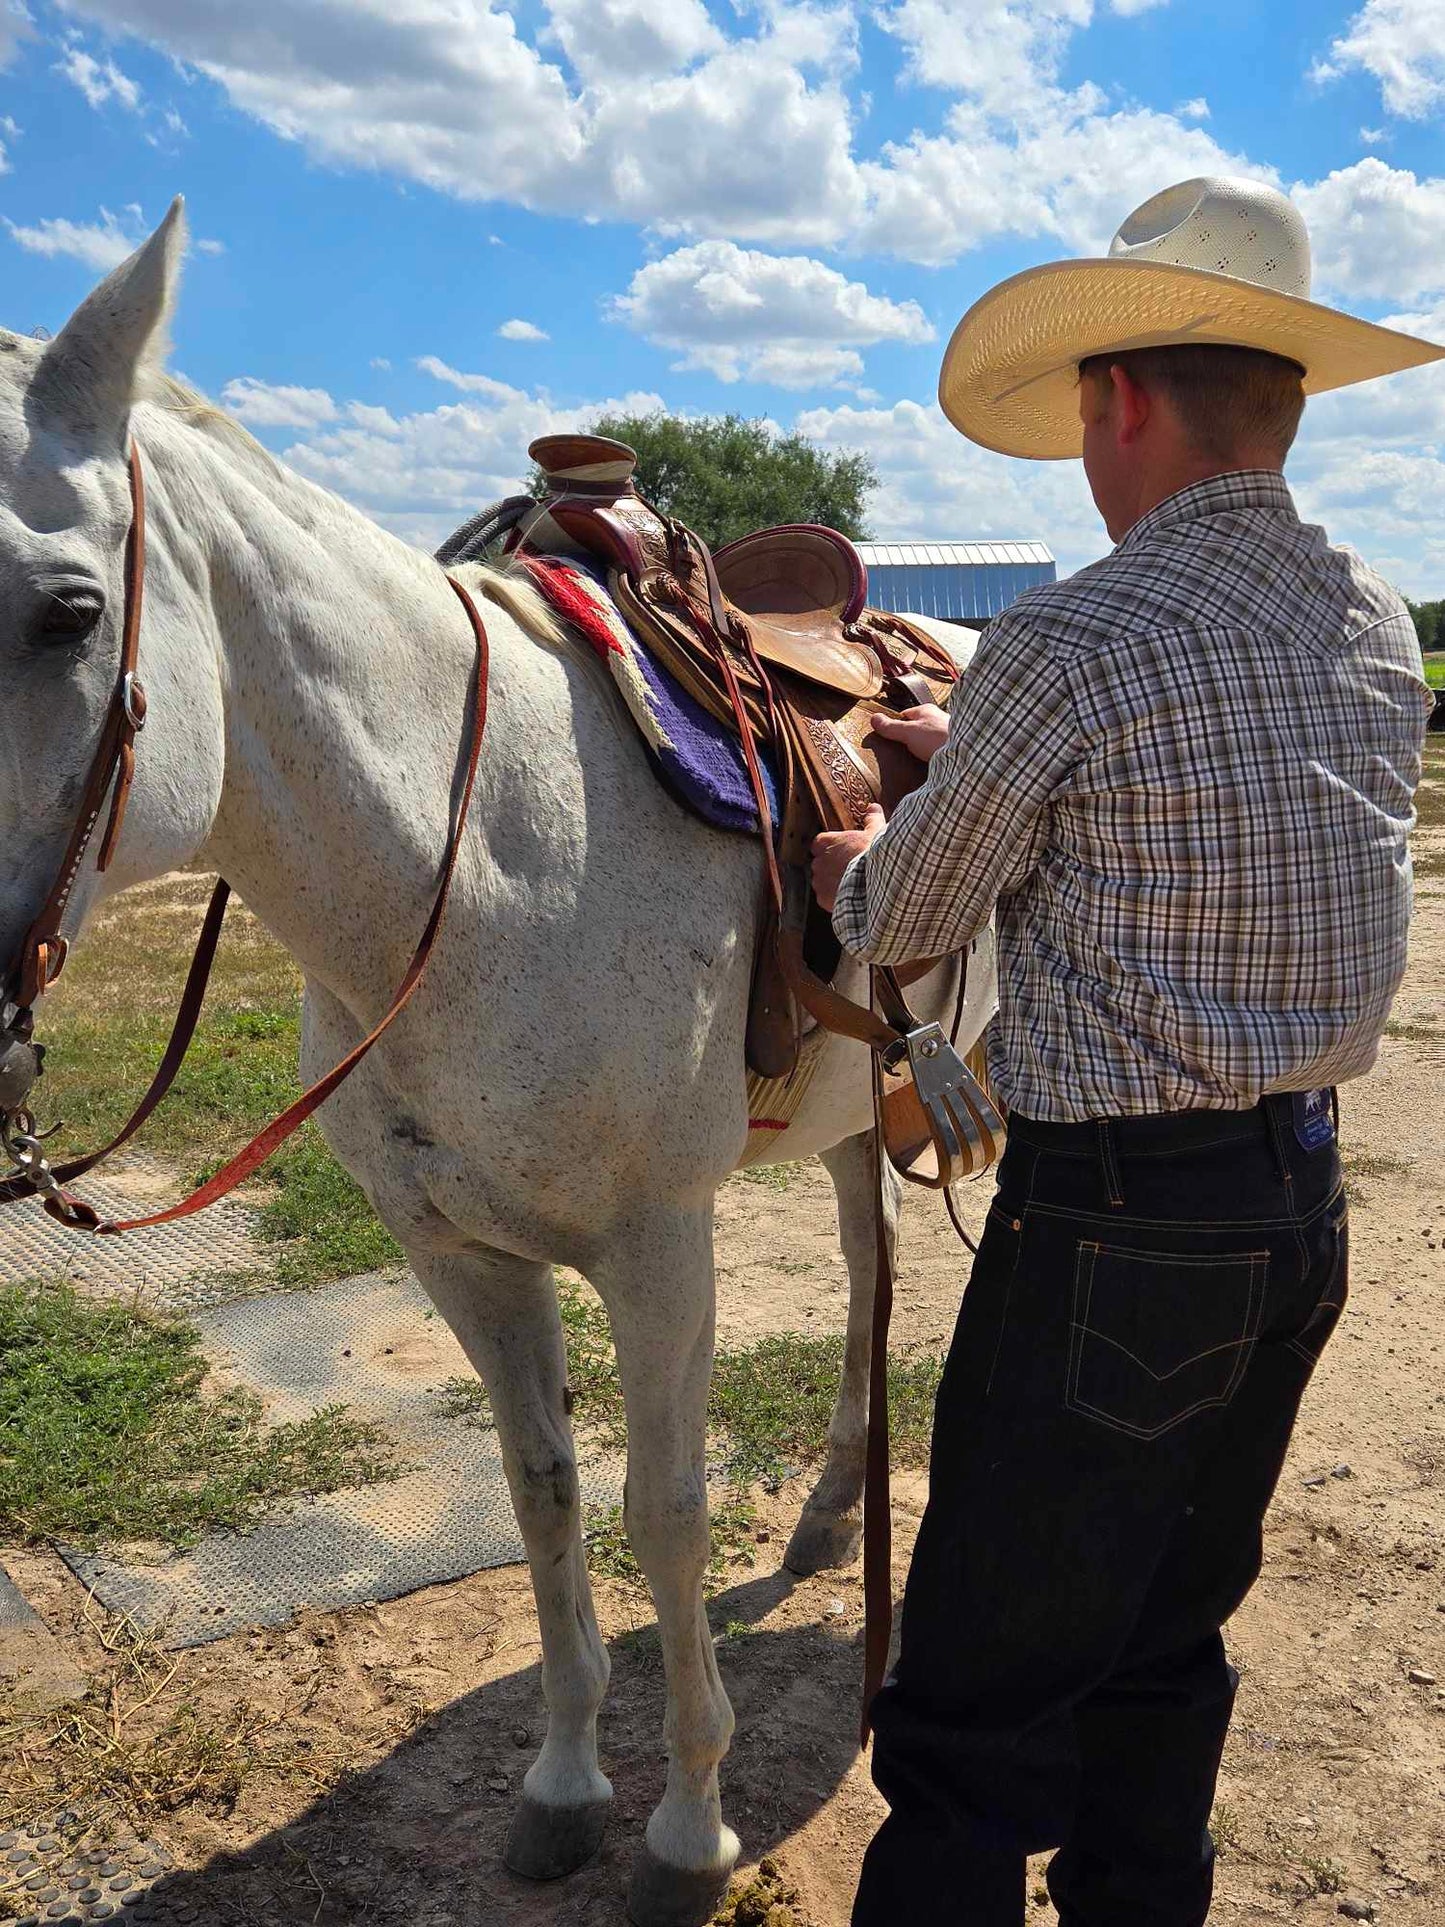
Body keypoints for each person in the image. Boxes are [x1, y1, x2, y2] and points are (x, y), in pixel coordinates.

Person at [811, 177, 1443, 1927]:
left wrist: (858, 848)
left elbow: (900, 929)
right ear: (1286, 405)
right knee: (1168, 1639)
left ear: (1115, 402)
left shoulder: (1068, 641)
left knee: (974, 1702)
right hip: (1295, 1209)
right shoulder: (1374, 623)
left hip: (1111, 1231)